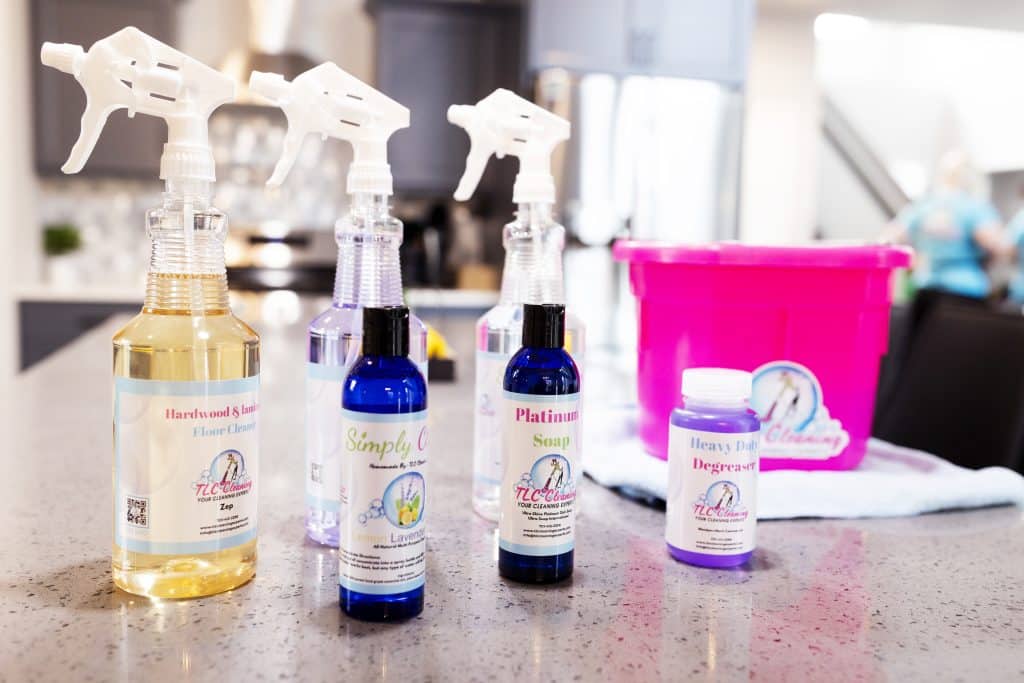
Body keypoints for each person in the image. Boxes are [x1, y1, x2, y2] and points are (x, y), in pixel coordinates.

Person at [883, 150, 1007, 299]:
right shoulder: (974, 207)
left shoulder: (924, 205)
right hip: (965, 288)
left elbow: (890, 237)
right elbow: (996, 245)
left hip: (925, 286)